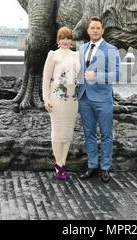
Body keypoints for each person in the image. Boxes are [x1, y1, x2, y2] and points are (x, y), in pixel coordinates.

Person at [77, 17, 121, 183]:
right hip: (84, 97)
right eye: (92, 28)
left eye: (98, 28)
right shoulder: (81, 49)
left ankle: (105, 168)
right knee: (88, 133)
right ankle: (92, 165)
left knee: (106, 134)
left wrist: (97, 75)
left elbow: (117, 75)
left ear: (102, 31)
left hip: (103, 99)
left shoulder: (111, 49)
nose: (95, 30)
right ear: (88, 31)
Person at [42, 26, 81, 180]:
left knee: (68, 132)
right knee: (58, 132)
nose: (65, 41)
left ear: (71, 40)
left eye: (68, 38)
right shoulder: (53, 55)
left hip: (73, 97)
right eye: (62, 38)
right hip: (57, 95)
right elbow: (45, 78)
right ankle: (58, 165)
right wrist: (46, 98)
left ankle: (63, 163)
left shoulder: (77, 55)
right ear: (58, 40)